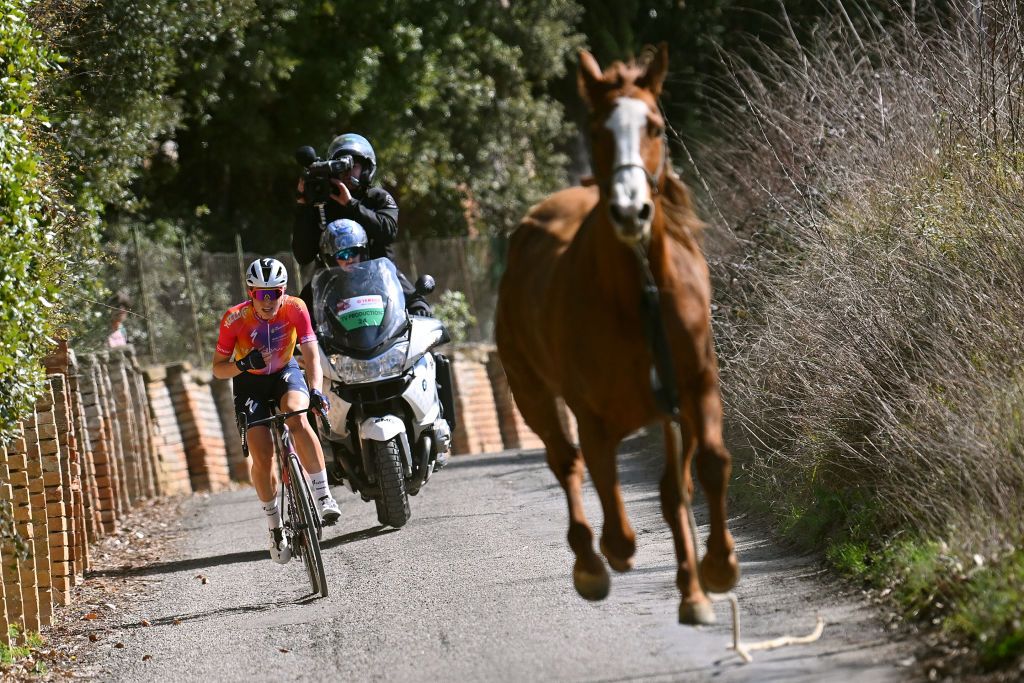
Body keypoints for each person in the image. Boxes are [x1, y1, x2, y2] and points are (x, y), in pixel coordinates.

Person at [211, 257, 341, 564]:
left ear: (284, 291)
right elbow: (218, 370)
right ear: (250, 292)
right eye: (261, 294)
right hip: (250, 382)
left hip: (285, 371)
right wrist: (242, 364)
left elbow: (311, 354)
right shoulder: (234, 319)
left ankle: (323, 495)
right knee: (263, 452)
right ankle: (274, 525)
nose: (269, 301)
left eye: (275, 292)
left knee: (297, 415)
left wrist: (316, 391)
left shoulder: (295, 308)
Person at [292, 132, 431, 319]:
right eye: (342, 167)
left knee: (421, 311)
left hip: (381, 277)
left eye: (354, 166)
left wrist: (352, 205)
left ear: (366, 169)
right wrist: (303, 204)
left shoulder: (378, 198)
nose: (348, 173)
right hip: (332, 280)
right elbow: (303, 255)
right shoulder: (322, 202)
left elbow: (388, 231)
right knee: (296, 320)